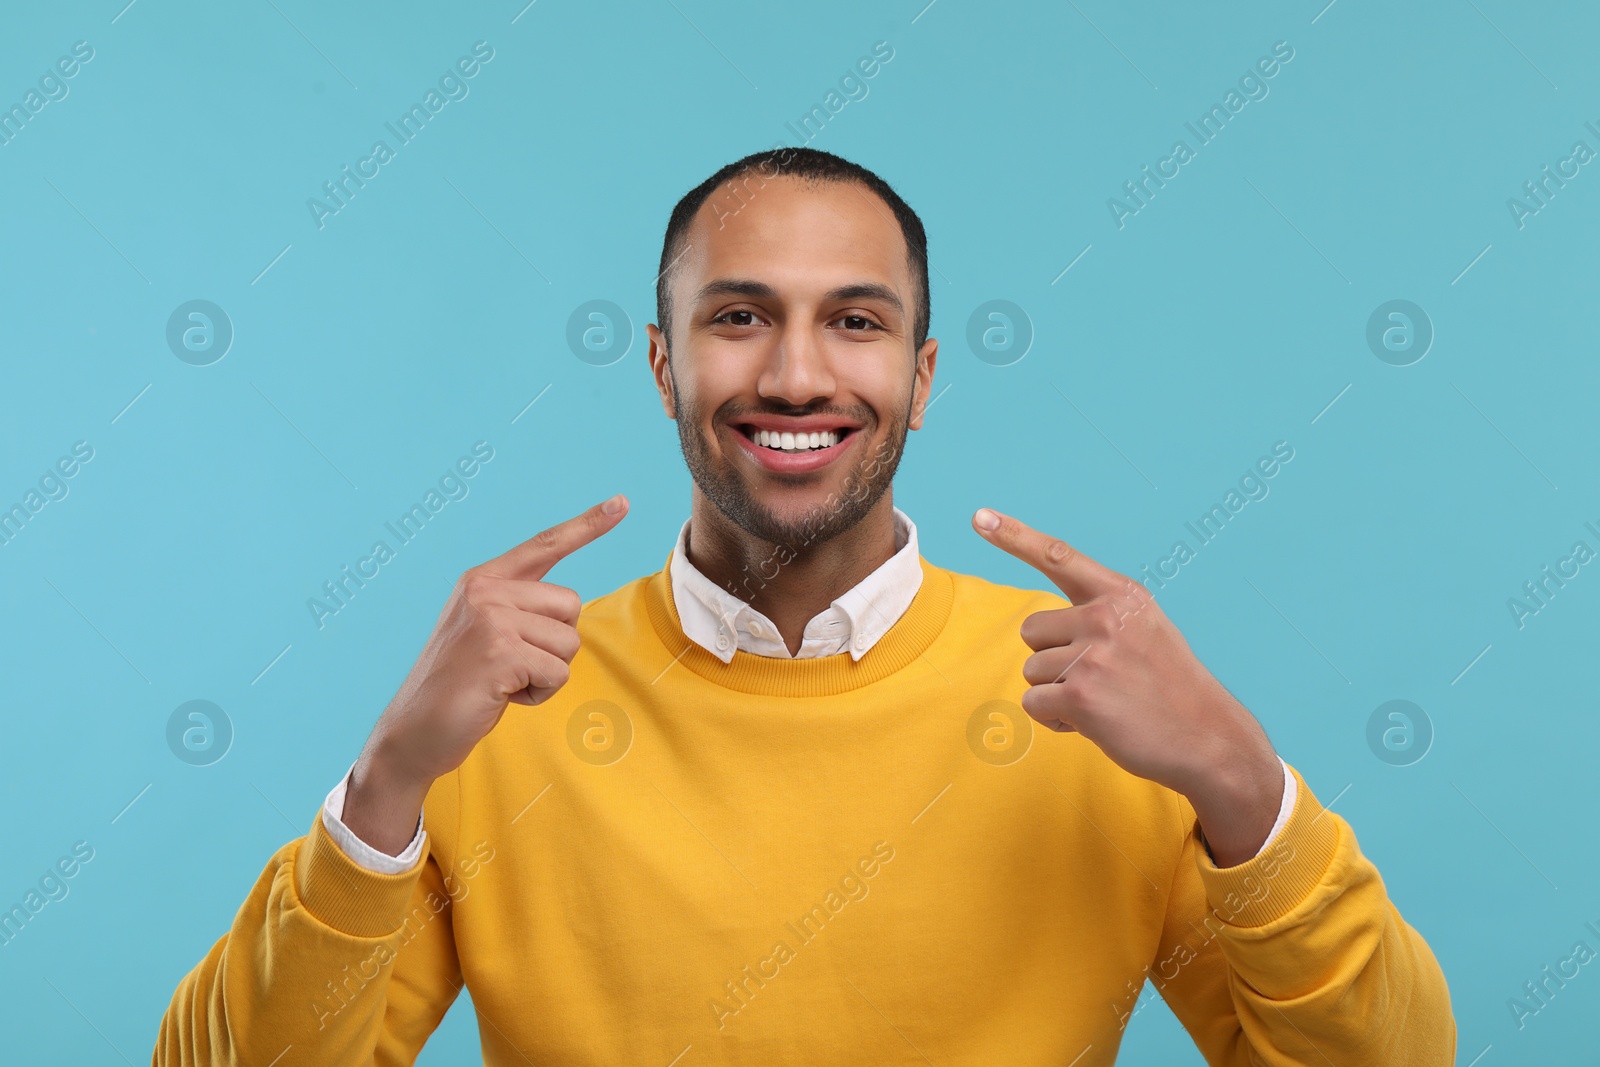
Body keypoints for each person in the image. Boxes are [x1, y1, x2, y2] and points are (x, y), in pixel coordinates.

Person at [153, 147, 1455, 1065]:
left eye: (855, 322)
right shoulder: (500, 716)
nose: (794, 374)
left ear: (924, 376)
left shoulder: (1100, 705)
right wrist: (385, 784)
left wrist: (1238, 778)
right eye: (738, 316)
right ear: (662, 365)